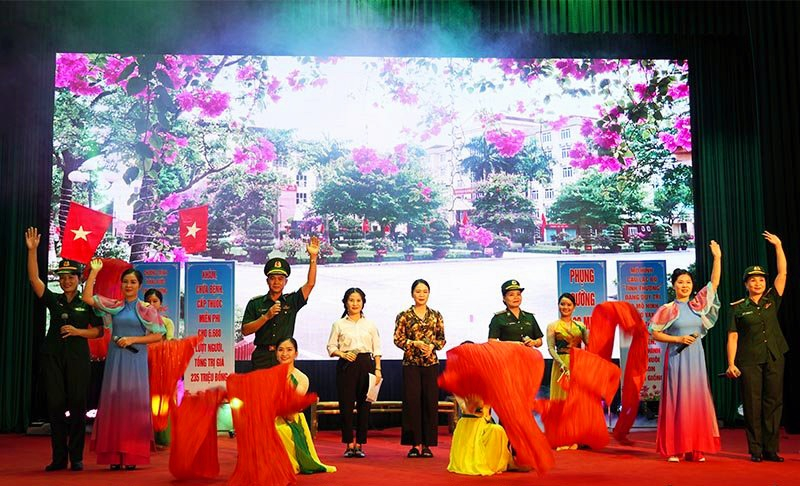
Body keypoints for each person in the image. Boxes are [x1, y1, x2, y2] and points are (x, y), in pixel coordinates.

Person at [25, 228, 103, 472]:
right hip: (53, 357)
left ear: (79, 279)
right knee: (56, 406)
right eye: (62, 277)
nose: (66, 281)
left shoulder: (87, 303)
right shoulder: (54, 300)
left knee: (78, 406)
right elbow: (34, 280)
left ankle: (76, 457)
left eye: (71, 277)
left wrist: (79, 332)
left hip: (78, 358)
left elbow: (99, 331)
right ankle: (59, 458)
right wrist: (32, 250)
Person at [82, 258, 166, 470]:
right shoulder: (115, 306)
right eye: (125, 281)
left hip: (135, 360)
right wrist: (94, 271)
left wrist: (133, 339)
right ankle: (113, 454)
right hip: (115, 360)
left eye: (133, 282)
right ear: (121, 284)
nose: (128, 285)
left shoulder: (146, 309)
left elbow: (158, 336)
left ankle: (132, 455)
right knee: (114, 405)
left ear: (139, 286)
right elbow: (87, 297)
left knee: (133, 406)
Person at [649, 240, 722, 463]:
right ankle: (675, 448)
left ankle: (696, 448)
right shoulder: (668, 309)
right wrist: (678, 338)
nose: (685, 285)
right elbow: (654, 333)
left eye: (688, 282)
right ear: (674, 285)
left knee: (696, 401)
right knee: (677, 401)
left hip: (696, 360)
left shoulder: (697, 306)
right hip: (676, 359)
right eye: (680, 282)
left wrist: (717, 258)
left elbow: (714, 284)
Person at [726, 231, 788, 463]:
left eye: (761, 279)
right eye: (753, 280)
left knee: (773, 402)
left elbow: (782, 273)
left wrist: (778, 246)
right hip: (749, 359)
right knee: (752, 405)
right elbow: (732, 336)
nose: (758, 282)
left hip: (774, 355)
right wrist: (731, 363)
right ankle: (755, 450)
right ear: (746, 284)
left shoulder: (772, 299)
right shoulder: (738, 308)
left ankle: (771, 449)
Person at [242, 236, 319, 370]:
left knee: (283, 391)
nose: (276, 282)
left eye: (280, 279)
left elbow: (310, 284)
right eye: (272, 278)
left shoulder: (292, 301)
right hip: (262, 356)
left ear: (285, 282)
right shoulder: (255, 303)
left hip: (284, 356)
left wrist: (313, 257)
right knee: (262, 391)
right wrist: (266, 316)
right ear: (267, 281)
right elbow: (245, 330)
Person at [326, 288, 382, 458]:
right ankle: (349, 444)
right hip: (346, 365)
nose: (355, 304)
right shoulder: (339, 324)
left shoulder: (370, 324)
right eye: (351, 300)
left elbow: (377, 348)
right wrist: (342, 354)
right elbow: (331, 347)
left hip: (367, 364)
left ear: (363, 302)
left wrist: (378, 369)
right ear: (345, 302)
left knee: (365, 406)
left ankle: (360, 444)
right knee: (347, 405)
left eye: (358, 300)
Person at [393, 279, 446, 458]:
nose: (421, 294)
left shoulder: (436, 315)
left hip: (431, 364)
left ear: (429, 294)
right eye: (418, 291)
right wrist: (413, 343)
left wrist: (432, 346)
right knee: (412, 403)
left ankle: (427, 445)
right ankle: (414, 445)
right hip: (411, 365)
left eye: (424, 291)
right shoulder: (404, 315)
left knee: (430, 403)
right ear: (412, 294)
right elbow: (397, 339)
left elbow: (441, 339)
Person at [274, 337, 336, 474]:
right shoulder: (269, 376)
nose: (284, 354)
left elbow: (290, 409)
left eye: (289, 350)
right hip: (271, 416)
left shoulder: (301, 378)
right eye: (281, 350)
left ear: (296, 353)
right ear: (276, 353)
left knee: (277, 430)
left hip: (291, 419)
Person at [545, 292, 589, 451]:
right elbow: (550, 348)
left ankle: (575, 438)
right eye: (563, 304)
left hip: (578, 365)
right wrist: (561, 364)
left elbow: (590, 344)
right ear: (559, 305)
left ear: (574, 307)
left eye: (569, 305)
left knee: (575, 402)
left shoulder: (581, 326)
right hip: (560, 365)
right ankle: (562, 438)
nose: (565, 307)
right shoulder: (553, 326)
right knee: (561, 402)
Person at [447, 394, 511, 476]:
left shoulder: (488, 388)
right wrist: (474, 406)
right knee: (496, 430)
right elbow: (466, 408)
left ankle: (496, 463)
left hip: (485, 424)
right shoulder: (460, 388)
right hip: (468, 427)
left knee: (497, 430)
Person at [144, 288, 175, 448]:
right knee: (143, 400)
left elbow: (169, 345)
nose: (151, 304)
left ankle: (161, 435)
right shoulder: (139, 321)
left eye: (154, 301)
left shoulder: (167, 322)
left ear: (160, 304)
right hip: (141, 364)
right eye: (148, 301)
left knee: (160, 400)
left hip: (160, 365)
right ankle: (144, 437)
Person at [489, 280, 543, 348]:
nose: (516, 297)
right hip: (508, 355)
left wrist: (534, 342)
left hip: (528, 355)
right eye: (511, 295)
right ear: (504, 298)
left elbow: (540, 341)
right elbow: (491, 342)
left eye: (518, 294)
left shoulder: (529, 317)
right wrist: (511, 344)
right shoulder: (498, 318)